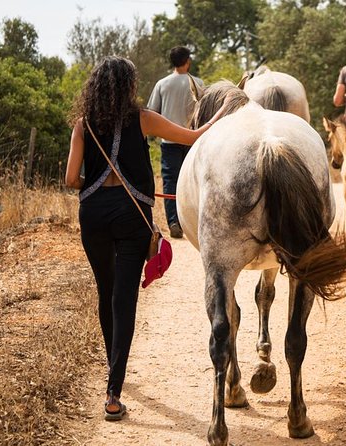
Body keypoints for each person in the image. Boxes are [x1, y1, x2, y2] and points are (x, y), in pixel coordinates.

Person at [65, 56, 227, 421]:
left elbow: (71, 179)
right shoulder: (142, 118)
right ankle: (113, 391)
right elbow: (191, 137)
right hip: (130, 217)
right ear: (128, 86)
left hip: (93, 215)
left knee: (105, 294)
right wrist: (222, 113)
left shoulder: (82, 125)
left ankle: (112, 369)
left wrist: (98, 176)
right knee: (125, 299)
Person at [147, 46, 204, 239]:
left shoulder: (162, 84)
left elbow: (152, 111)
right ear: (187, 61)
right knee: (194, 180)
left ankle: (173, 221)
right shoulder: (198, 83)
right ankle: (193, 221)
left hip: (169, 141)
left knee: (171, 181)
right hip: (192, 139)